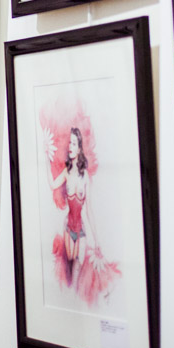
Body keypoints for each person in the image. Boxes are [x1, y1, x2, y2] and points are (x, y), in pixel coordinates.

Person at [45, 125, 118, 307]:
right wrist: (46, 157)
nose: (69, 146)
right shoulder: (66, 172)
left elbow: (89, 211)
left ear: (79, 148)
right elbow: (53, 185)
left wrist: (97, 240)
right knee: (71, 268)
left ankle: (78, 308)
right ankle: (71, 308)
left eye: (73, 143)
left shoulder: (85, 177)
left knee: (79, 269)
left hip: (81, 231)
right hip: (68, 228)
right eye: (69, 143)